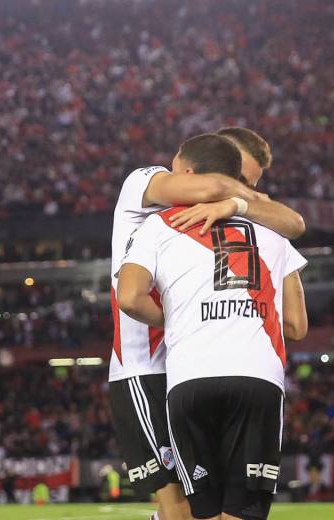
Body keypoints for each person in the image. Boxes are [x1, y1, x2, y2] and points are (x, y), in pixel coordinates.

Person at [108, 128, 303, 520]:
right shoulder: (144, 185)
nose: (241, 188)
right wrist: (240, 197)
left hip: (194, 367)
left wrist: (240, 205)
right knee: (180, 508)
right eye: (240, 179)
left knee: (206, 509)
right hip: (145, 367)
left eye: (249, 184)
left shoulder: (233, 220)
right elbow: (214, 185)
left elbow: (294, 223)